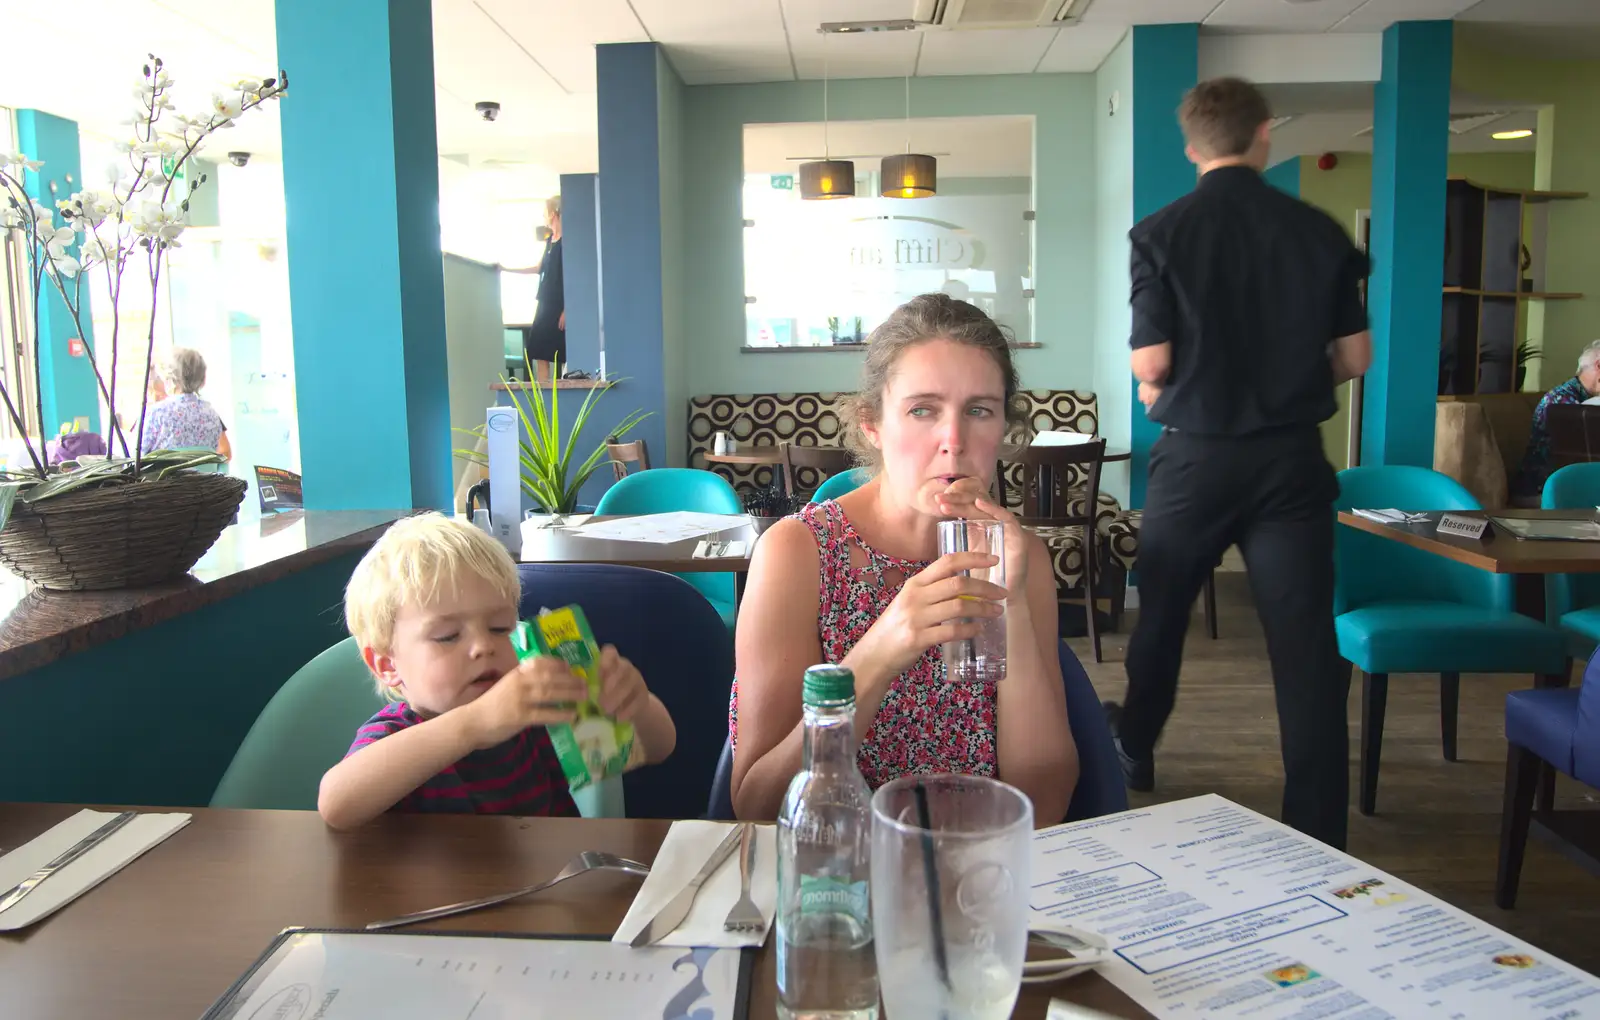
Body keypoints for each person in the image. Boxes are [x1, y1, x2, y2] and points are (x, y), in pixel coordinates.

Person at [1102, 77, 1372, 850]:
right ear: (1264, 135)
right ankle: (1317, 826)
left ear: (1192, 146)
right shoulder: (1319, 232)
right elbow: (1356, 355)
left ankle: (1138, 744)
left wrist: (1168, 386)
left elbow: (1150, 361)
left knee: (1161, 617)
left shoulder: (1160, 233)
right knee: (1304, 644)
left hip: (1195, 461)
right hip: (1290, 463)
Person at [728, 293, 1079, 826]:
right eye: (922, 410)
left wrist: (1010, 605)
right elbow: (758, 805)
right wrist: (885, 643)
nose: (954, 441)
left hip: (974, 870)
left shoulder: (1018, 554)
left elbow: (1045, 806)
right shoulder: (797, 553)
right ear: (872, 424)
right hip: (840, 877)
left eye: (979, 411)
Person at [318, 513, 677, 829]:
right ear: (387, 665)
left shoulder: (536, 716)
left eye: (500, 628)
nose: (482, 647)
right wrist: (475, 724)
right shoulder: (395, 735)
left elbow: (658, 747)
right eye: (447, 636)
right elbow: (336, 804)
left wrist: (637, 704)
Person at [1511, 339, 1600, 501]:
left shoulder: (1579, 398)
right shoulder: (1561, 401)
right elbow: (1583, 451)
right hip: (1541, 489)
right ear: (1598, 366)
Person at [504, 196, 565, 384]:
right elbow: (539, 268)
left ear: (553, 214)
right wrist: (506, 268)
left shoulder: (567, 242)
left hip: (559, 302)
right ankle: (544, 394)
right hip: (545, 300)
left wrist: (567, 309)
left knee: (561, 350)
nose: (544, 217)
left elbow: (573, 277)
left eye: (545, 213)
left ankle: (563, 392)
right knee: (539, 348)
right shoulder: (549, 242)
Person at [139, 347, 232, 461]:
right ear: (202, 379)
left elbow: (136, 457)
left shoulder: (156, 413)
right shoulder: (212, 415)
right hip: (205, 478)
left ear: (169, 378)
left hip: (166, 479)